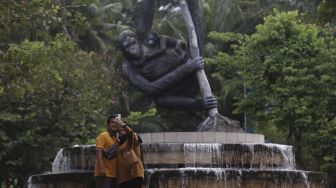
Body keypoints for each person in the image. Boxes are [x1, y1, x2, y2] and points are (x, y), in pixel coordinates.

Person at [116, 117, 144, 188]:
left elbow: (130, 133)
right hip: (123, 177)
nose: (121, 128)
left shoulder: (133, 136)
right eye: (119, 127)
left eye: (123, 126)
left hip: (134, 174)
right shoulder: (118, 141)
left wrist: (123, 125)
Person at [94, 114, 120, 188]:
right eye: (112, 122)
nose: (114, 124)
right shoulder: (103, 136)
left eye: (116, 123)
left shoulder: (116, 139)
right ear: (108, 125)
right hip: (104, 174)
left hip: (114, 174)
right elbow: (98, 151)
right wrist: (102, 168)